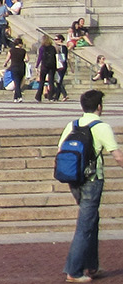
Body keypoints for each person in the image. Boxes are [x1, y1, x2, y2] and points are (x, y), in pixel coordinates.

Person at [61, 89, 121, 282]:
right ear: (99, 107)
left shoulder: (73, 124)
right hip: (93, 180)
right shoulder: (101, 127)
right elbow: (117, 156)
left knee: (91, 221)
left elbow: (61, 148)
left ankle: (92, 266)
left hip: (74, 179)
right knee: (85, 225)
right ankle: (74, 271)